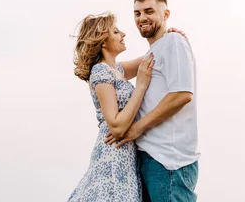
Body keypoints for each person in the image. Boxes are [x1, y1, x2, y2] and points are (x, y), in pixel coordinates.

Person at [68, 12, 185, 202]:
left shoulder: (117, 69)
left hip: (126, 156)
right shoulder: (100, 71)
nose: (123, 34)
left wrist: (168, 37)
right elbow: (117, 125)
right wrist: (140, 86)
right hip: (113, 155)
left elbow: (153, 55)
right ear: (103, 41)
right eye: (115, 31)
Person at [106, 0, 200, 202]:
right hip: (150, 158)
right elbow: (112, 70)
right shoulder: (155, 50)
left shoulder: (174, 42)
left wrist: (136, 128)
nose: (142, 18)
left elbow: (182, 94)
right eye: (137, 13)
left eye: (149, 11)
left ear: (165, 14)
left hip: (168, 162)